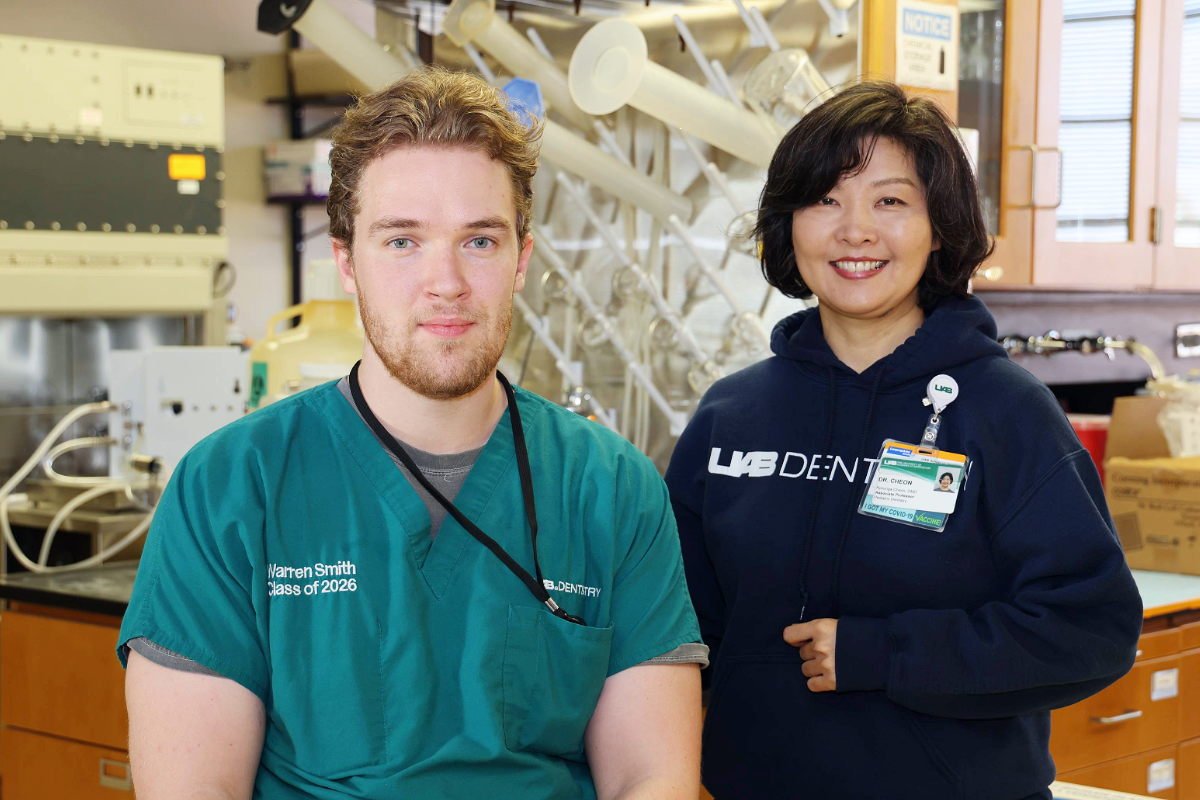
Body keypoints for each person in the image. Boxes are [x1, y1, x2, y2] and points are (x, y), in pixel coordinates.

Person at [119, 66, 706, 800]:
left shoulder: (611, 489)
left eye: (480, 241)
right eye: (402, 241)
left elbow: (652, 777)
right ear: (346, 263)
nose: (446, 282)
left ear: (521, 260)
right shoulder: (231, 487)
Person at [665, 80, 1142, 800]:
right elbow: (675, 629)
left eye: (890, 201)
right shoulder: (731, 416)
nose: (855, 230)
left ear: (939, 227)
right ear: (789, 225)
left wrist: (885, 653)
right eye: (825, 199)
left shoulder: (1006, 413)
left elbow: (1091, 627)